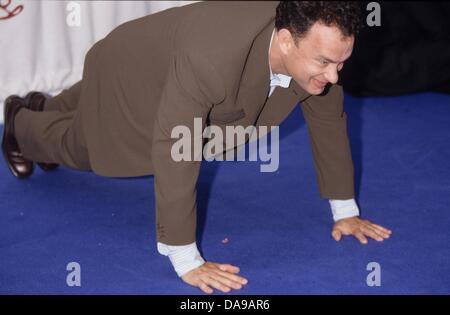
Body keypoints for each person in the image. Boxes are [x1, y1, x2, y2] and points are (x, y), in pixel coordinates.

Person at [2, 1, 392, 294]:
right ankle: (20, 124)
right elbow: (178, 147)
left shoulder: (313, 44)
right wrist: (185, 257)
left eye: (340, 64)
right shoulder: (212, 60)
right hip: (134, 74)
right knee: (84, 148)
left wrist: (345, 212)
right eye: (325, 62)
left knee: (85, 104)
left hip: (156, 53)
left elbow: (328, 122)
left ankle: (42, 106)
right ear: (287, 41)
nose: (333, 75)